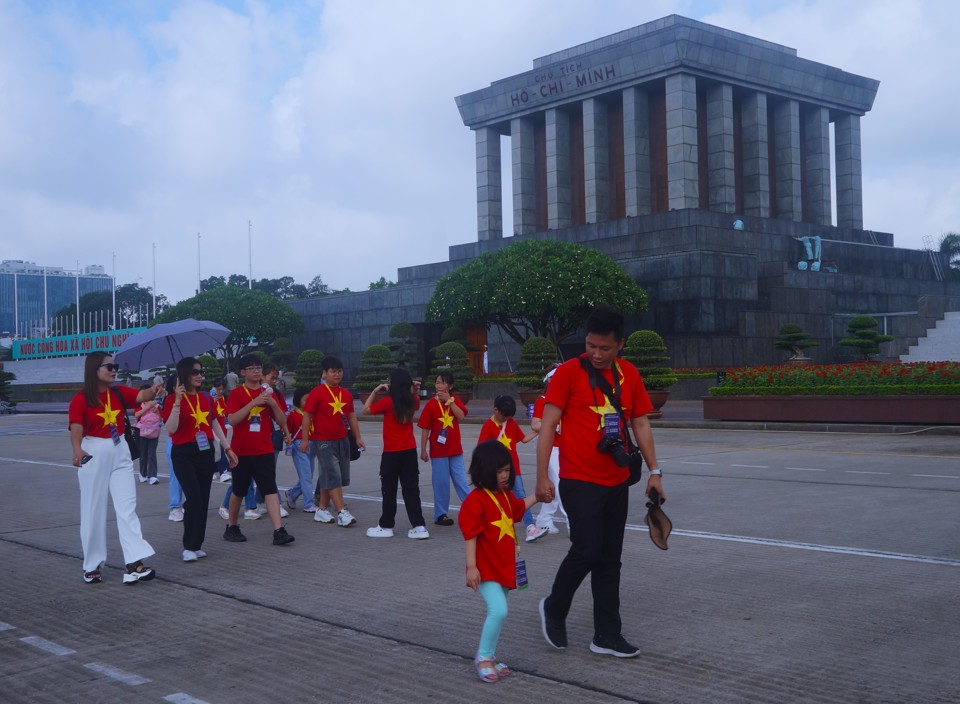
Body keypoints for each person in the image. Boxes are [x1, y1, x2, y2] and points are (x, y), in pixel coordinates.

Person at [535, 305, 664, 658]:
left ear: (620, 344)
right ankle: (554, 608)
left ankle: (606, 635)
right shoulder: (567, 374)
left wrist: (655, 472)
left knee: (610, 559)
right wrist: (542, 475)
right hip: (578, 479)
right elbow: (547, 425)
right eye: (591, 345)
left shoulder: (629, 375)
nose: (596, 353)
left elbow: (641, 424)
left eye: (604, 348)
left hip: (616, 481)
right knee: (587, 549)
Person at [68, 351, 162, 585]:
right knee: (93, 510)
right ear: (94, 369)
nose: (113, 370)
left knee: (127, 507)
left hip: (120, 451)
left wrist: (156, 389)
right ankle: (91, 565)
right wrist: (77, 450)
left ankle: (134, 563)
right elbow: (76, 426)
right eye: (108, 366)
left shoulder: (118, 392)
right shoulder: (81, 399)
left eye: (115, 366)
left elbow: (142, 395)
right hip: (94, 452)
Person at [459, 441, 539, 683]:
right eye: (499, 471)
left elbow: (517, 509)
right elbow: (470, 533)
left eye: (507, 470)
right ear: (484, 471)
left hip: (503, 566)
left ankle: (490, 657)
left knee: (499, 612)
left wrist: (539, 496)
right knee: (499, 610)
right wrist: (471, 567)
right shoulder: (476, 499)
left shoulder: (505, 495)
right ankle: (483, 657)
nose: (505, 475)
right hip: (486, 569)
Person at [162, 357, 238, 561]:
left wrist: (227, 447)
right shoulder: (171, 400)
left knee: (203, 498)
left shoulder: (206, 397)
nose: (199, 375)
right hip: (183, 453)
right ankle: (188, 545)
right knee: (194, 497)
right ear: (184, 375)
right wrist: (177, 401)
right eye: (195, 372)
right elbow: (171, 429)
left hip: (204, 452)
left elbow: (214, 423)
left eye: (200, 372)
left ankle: (196, 544)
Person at [223, 354, 294, 545]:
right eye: (251, 368)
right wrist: (254, 403)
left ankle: (278, 530)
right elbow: (232, 420)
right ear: (242, 372)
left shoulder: (269, 393)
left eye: (258, 367)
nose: (256, 371)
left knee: (270, 489)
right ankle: (232, 526)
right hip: (241, 451)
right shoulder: (237, 393)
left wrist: (271, 403)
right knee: (238, 490)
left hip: (263, 449)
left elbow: (281, 421)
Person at [362, 369, 429, 540]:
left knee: (389, 490)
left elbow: (366, 410)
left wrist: (375, 391)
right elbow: (415, 398)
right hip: (409, 451)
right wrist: (413, 389)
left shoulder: (388, 402)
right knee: (411, 489)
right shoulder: (413, 400)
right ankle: (419, 526)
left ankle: (386, 525)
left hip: (391, 453)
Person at [299, 356, 365, 527]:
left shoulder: (345, 393)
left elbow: (351, 416)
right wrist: (305, 439)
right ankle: (342, 511)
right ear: (324, 373)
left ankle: (321, 509)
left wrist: (357, 438)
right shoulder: (317, 393)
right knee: (332, 473)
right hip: (323, 441)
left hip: (342, 440)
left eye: (339, 371)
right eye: (333, 371)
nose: (337, 374)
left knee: (334, 475)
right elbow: (307, 416)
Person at [478, 395, 545, 543]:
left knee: (520, 494)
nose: (506, 419)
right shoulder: (488, 426)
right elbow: (481, 450)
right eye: (504, 416)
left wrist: (539, 431)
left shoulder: (511, 423)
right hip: (496, 472)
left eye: (509, 416)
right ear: (495, 410)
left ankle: (530, 527)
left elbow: (524, 439)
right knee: (495, 496)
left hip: (514, 469)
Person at [417, 371, 469, 527]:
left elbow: (461, 416)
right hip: (439, 452)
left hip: (455, 450)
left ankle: (474, 508)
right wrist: (423, 449)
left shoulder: (455, 401)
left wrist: (450, 402)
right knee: (441, 483)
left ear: (450, 386)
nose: (439, 385)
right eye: (437, 382)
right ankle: (441, 514)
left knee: (461, 482)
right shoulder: (431, 404)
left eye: (442, 383)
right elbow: (425, 428)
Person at [532, 366, 566, 534]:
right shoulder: (543, 399)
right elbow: (535, 423)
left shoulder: (567, 399)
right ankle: (572, 522)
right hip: (550, 448)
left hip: (565, 447)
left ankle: (544, 521)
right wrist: (555, 427)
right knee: (562, 485)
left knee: (553, 485)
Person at [284, 387, 317, 513]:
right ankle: (308, 503)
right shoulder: (293, 414)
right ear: (298, 401)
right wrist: (287, 438)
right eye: (305, 400)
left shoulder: (313, 414)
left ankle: (292, 494)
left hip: (312, 444)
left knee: (308, 474)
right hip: (299, 445)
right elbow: (288, 430)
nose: (308, 403)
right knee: (306, 475)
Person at [134, 384, 163, 485]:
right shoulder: (139, 405)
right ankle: (143, 474)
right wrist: (147, 407)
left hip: (154, 431)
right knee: (143, 453)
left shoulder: (157, 405)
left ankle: (153, 476)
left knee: (151, 453)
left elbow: (161, 419)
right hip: (141, 432)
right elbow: (136, 415)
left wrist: (156, 411)